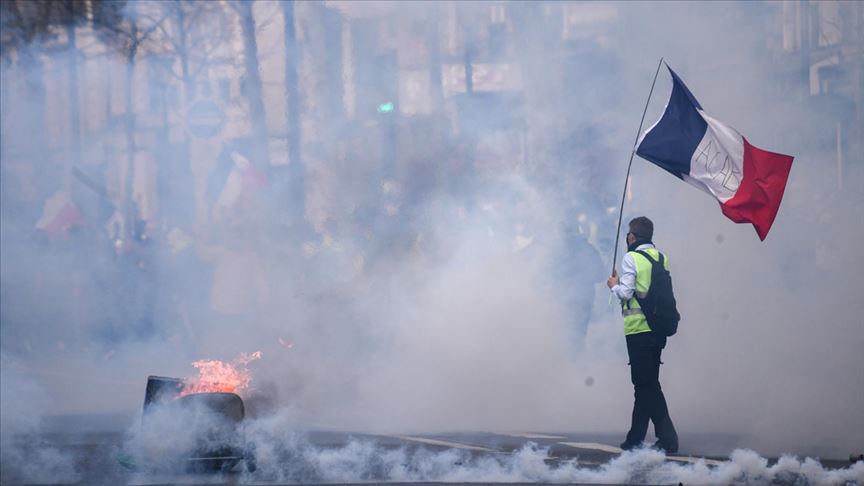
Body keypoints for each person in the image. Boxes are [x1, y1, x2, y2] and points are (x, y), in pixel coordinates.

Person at [607, 216, 679, 453]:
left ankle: (667, 439)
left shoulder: (632, 257)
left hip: (639, 329)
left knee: (645, 385)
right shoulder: (661, 257)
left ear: (633, 236)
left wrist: (614, 285)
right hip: (658, 328)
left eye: (628, 234)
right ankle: (635, 439)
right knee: (647, 385)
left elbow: (626, 293)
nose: (627, 237)